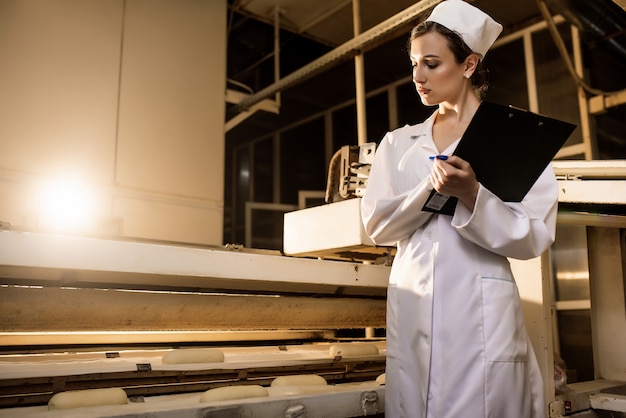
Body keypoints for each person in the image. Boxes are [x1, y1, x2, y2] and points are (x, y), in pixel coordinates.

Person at [361, 0, 557, 417]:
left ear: (469, 65)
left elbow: (534, 235)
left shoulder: (514, 137)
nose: (417, 77)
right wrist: (437, 191)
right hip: (412, 305)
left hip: (481, 312)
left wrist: (473, 196)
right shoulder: (399, 144)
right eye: (414, 63)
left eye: (431, 63)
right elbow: (377, 225)